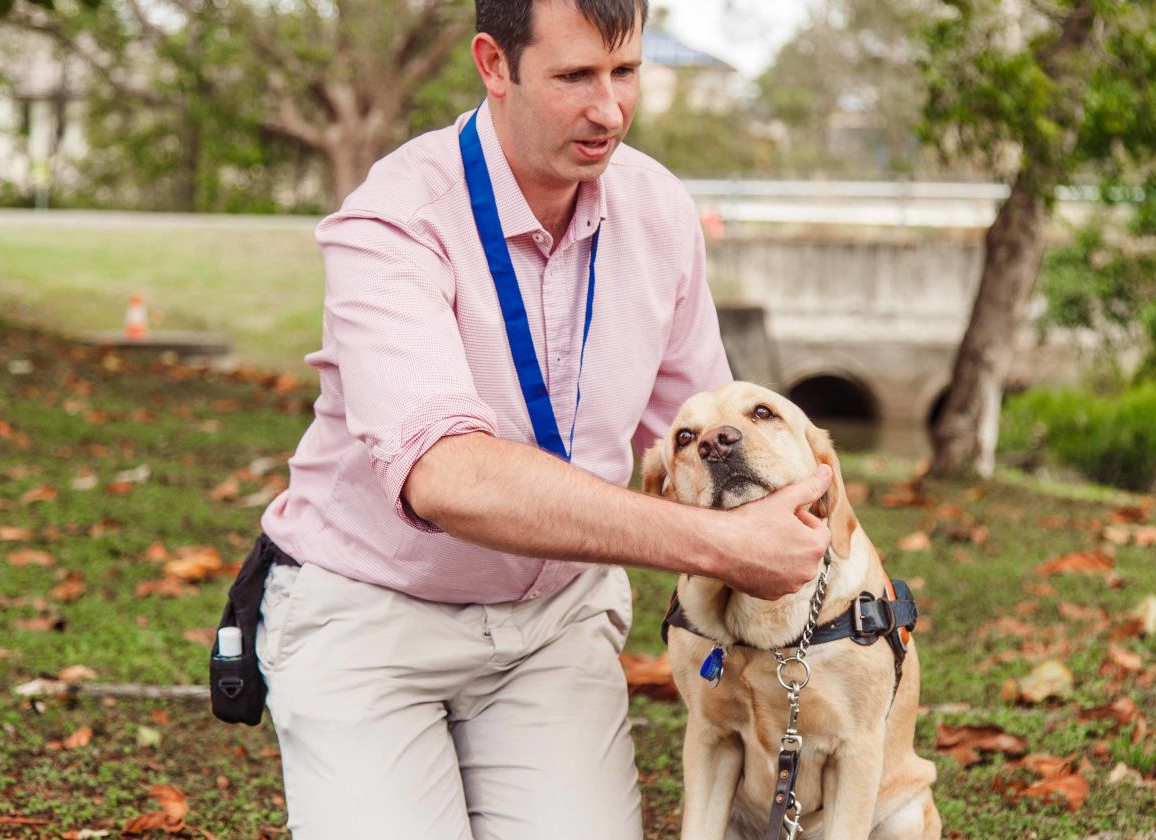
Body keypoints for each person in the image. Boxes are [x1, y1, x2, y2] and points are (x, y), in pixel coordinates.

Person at [252, 1, 833, 837]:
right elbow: (448, 476)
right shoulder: (393, 221)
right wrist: (721, 546)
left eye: (624, 72)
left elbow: (706, 433)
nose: (609, 111)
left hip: (551, 625)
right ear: (495, 65)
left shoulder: (658, 208)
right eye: (574, 78)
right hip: (369, 615)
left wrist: (831, 571)